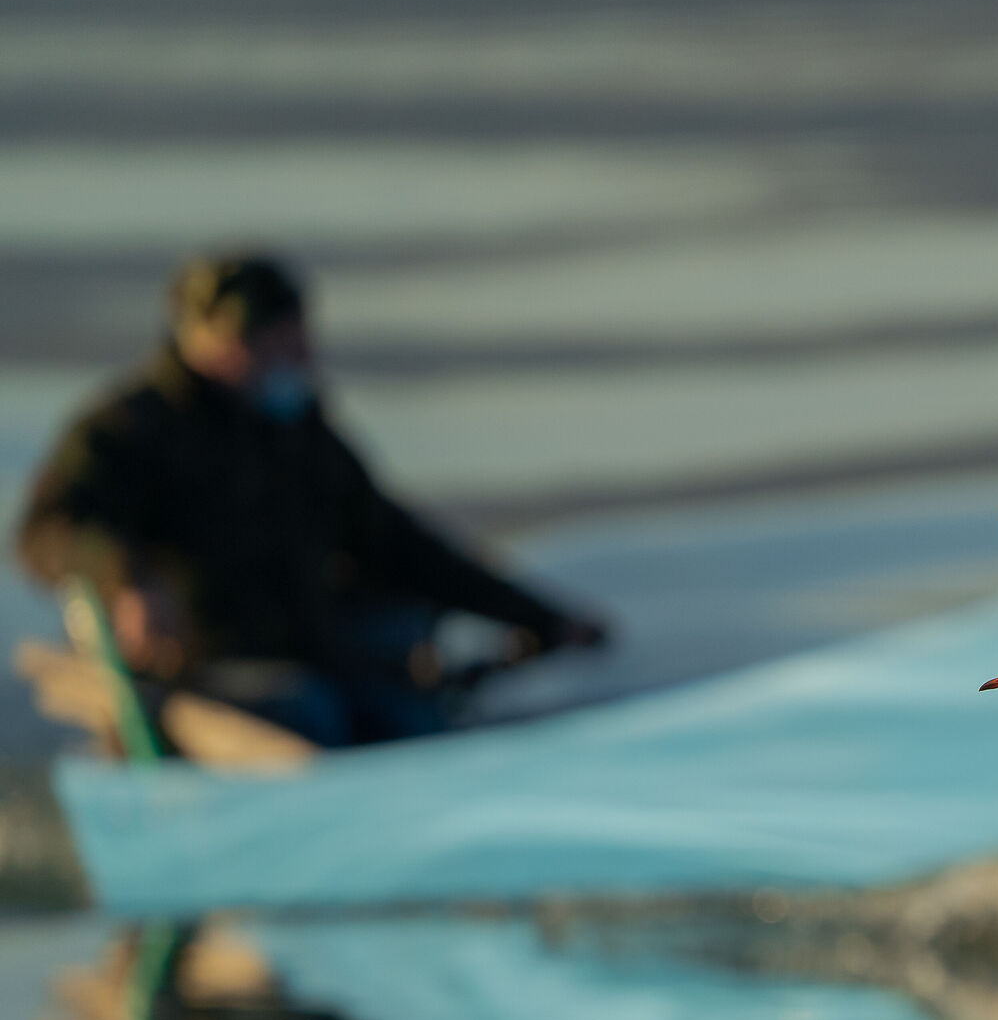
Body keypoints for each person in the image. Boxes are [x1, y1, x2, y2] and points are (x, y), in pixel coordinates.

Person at [15, 253, 607, 750]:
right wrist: (127, 578)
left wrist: (539, 617)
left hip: (311, 650)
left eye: (298, 340)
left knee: (407, 716)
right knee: (315, 714)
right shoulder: (132, 430)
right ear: (216, 340)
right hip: (204, 666)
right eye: (276, 343)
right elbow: (47, 532)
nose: (298, 359)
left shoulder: (296, 433)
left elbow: (394, 543)